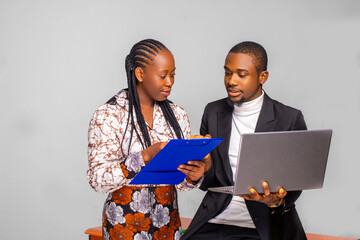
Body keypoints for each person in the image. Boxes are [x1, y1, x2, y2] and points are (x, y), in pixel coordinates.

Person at [181, 41, 307, 240]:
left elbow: (297, 182)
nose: (231, 81)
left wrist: (275, 201)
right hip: (215, 219)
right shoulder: (213, 112)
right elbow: (213, 182)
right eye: (227, 72)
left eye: (242, 74)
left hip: (264, 224)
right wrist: (204, 171)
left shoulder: (288, 118)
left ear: (262, 77)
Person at [87, 39, 206, 240]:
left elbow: (181, 185)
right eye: (163, 75)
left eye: (173, 74)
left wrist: (193, 175)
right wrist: (144, 157)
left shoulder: (177, 115)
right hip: (123, 230)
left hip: (168, 229)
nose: (170, 82)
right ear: (140, 74)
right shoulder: (109, 115)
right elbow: (97, 180)